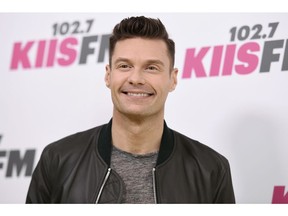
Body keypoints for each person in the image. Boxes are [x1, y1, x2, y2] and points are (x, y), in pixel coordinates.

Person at [26, 16, 235, 203]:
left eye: (151, 67)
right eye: (124, 66)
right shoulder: (57, 159)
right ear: (108, 75)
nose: (135, 79)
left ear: (173, 79)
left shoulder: (211, 170)